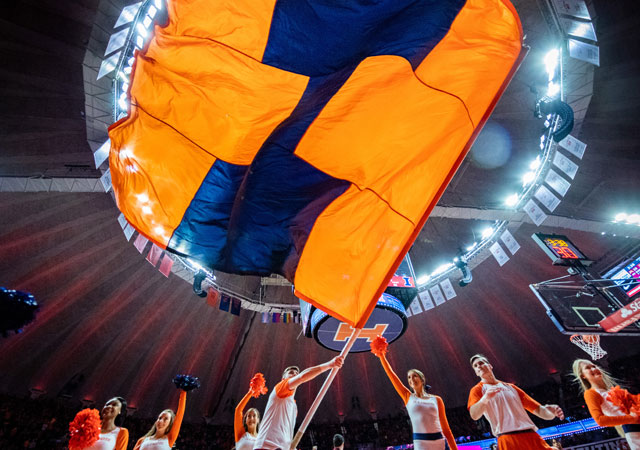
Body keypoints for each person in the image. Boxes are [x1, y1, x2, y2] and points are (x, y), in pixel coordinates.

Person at [467, 354, 564, 449]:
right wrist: (485, 398)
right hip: (508, 439)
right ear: (476, 372)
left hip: (531, 436)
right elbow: (474, 415)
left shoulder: (512, 387)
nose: (478, 366)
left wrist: (552, 413)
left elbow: (540, 411)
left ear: (490, 366)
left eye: (481, 363)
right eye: (475, 366)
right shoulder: (477, 390)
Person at [253, 356, 344, 450]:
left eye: (296, 373)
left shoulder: (293, 405)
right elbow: (302, 377)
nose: (295, 374)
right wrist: (329, 364)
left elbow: (285, 431)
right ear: (283, 378)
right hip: (266, 446)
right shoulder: (280, 388)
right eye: (291, 373)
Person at [372, 349, 457, 449]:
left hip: (440, 442)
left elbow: (446, 430)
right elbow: (391, 374)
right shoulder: (407, 396)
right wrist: (382, 356)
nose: (411, 379)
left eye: (414, 376)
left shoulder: (437, 399)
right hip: (421, 443)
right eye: (409, 377)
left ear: (422, 379)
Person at [572, 359, 640, 449]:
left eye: (594, 366)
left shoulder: (609, 390)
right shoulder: (591, 393)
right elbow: (600, 420)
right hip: (634, 430)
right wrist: (631, 418)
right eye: (588, 368)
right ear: (583, 376)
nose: (593, 368)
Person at [235, 378, 264, 450]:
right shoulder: (241, 433)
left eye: (254, 416)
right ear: (245, 420)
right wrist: (250, 393)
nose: (251, 418)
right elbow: (238, 410)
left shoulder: (261, 438)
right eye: (249, 416)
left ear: (258, 420)